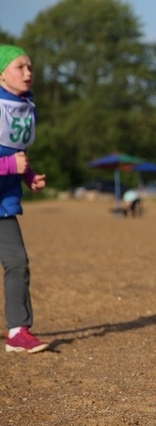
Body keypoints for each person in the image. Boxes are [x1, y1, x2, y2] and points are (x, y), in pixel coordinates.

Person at [0, 45, 49, 353]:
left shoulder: (26, 108)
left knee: (18, 263)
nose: (28, 72)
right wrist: (10, 166)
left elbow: (18, 155)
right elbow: (9, 161)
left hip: (4, 204)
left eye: (31, 67)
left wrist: (29, 177)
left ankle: (18, 331)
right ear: (1, 73)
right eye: (20, 67)